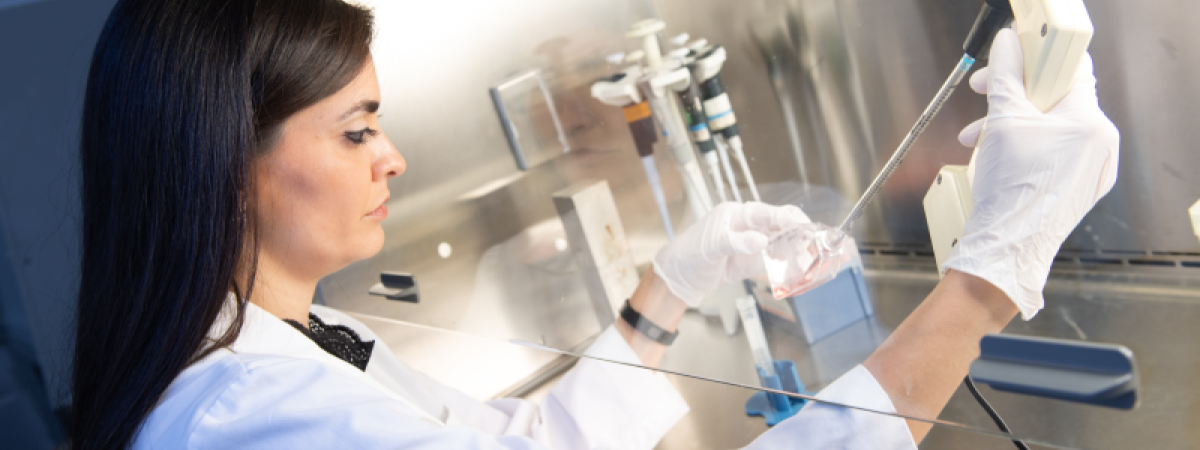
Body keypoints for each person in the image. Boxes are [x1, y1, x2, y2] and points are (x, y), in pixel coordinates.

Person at [69, 0, 1119, 449]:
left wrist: (674, 279)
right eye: (355, 131)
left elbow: (529, 442)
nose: (391, 157)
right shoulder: (260, 417)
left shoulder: (296, 348)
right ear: (225, 165)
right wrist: (989, 275)